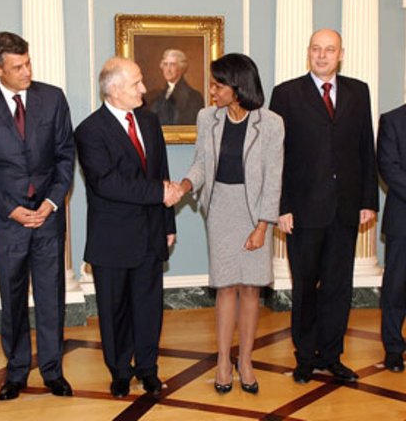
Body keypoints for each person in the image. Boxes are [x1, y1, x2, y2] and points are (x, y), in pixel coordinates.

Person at [0, 32, 75, 400]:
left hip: (47, 217)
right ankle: (15, 372)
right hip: (7, 219)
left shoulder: (52, 98)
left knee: (51, 296)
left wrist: (52, 203)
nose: (26, 71)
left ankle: (53, 371)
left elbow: (65, 156)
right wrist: (9, 209)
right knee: (12, 299)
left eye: (28, 63)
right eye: (17, 67)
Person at [270, 29, 378, 384]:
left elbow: (366, 148)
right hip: (302, 211)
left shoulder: (358, 92)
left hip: (346, 209)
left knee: (338, 286)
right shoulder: (286, 94)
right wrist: (281, 206)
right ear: (308, 53)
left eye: (329, 50)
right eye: (316, 49)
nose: (322, 55)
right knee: (304, 286)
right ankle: (304, 357)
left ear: (340, 54)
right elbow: (275, 156)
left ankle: (331, 355)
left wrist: (368, 201)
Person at [179, 53, 284, 394]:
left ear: (237, 88)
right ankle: (224, 361)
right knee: (225, 287)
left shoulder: (270, 123)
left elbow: (273, 180)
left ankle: (246, 361)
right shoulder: (206, 117)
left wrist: (262, 226)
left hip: (255, 214)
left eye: (217, 84)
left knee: (251, 288)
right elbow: (200, 164)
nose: (211, 90)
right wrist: (185, 185)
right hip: (221, 208)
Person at [75, 57, 177, 399]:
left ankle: (148, 369)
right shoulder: (90, 131)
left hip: (150, 233)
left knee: (149, 308)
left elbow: (159, 170)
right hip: (113, 239)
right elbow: (107, 183)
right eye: (136, 83)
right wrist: (161, 193)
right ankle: (119, 372)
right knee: (114, 311)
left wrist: (168, 221)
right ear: (114, 89)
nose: (144, 89)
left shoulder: (149, 121)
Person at [377, 105, 406, 373]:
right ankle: (394, 348)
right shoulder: (392, 120)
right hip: (403, 221)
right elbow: (388, 166)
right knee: (397, 288)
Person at [149, 49, 204, 125]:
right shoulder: (155, 97)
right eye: (165, 64)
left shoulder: (194, 97)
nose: (168, 69)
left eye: (172, 65)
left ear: (181, 68)